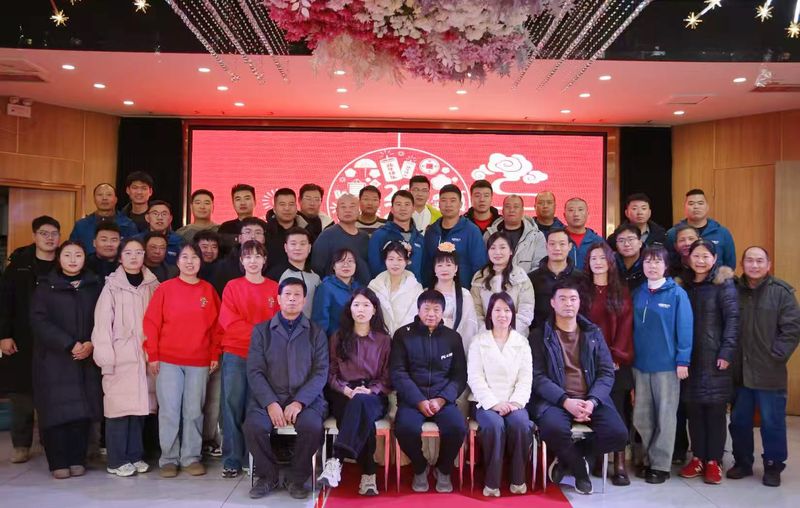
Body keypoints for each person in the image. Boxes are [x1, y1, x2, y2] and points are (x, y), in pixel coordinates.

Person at [529, 278, 628, 495]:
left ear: (579, 302)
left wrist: (592, 401)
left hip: (590, 398)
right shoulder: (539, 335)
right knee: (553, 428)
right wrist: (565, 401)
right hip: (556, 400)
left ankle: (569, 458)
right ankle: (580, 471)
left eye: (573, 299)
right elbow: (537, 377)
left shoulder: (593, 333)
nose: (568, 303)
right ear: (553, 303)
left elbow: (606, 372)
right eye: (563, 299)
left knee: (619, 434)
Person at [244, 278, 328, 500]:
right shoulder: (262, 331)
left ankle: (296, 478)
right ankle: (268, 476)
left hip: (306, 400)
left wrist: (299, 402)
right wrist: (270, 403)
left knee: (312, 427)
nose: (292, 299)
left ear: (304, 300)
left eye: (297, 295)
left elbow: (321, 372)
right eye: (287, 294)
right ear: (278, 299)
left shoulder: (316, 332)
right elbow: (255, 370)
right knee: (253, 426)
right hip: (269, 397)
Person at [143, 243, 221, 478]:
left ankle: (191, 457)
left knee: (194, 410)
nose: (189, 262)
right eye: (185, 257)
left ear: (200, 262)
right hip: (168, 360)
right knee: (169, 410)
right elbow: (151, 323)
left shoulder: (208, 290)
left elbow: (217, 328)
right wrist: (153, 355)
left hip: (199, 360)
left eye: (194, 257)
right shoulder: (165, 289)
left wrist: (214, 354)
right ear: (177, 262)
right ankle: (168, 458)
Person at [30, 240, 102, 479]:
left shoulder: (94, 285)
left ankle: (77, 458)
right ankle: (58, 461)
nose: (73, 260)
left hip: (86, 357)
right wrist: (69, 344)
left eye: (78, 255)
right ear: (58, 258)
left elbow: (103, 319)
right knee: (55, 411)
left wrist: (91, 342)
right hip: (54, 359)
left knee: (81, 410)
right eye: (67, 255)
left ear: (85, 258)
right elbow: (39, 321)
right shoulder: (45, 286)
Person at [729, 246, 800, 487]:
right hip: (739, 371)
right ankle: (742, 462)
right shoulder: (733, 291)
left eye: (760, 261)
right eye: (750, 260)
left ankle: (773, 465)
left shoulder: (781, 292)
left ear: (768, 265)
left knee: (772, 422)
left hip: (770, 371)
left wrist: (776, 355)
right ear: (742, 264)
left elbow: (792, 329)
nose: (754, 265)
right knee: (739, 421)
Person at [91, 238, 159, 477]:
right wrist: (106, 359)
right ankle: (117, 459)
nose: (134, 257)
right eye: (128, 253)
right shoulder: (111, 286)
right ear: (120, 258)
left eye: (138, 252)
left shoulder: (153, 285)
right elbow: (102, 326)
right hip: (120, 355)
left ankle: (135, 455)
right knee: (118, 409)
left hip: (146, 355)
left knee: (141, 407)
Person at [317, 288, 392, 496]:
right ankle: (368, 475)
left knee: (361, 404)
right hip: (343, 393)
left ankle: (336, 460)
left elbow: (388, 377)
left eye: (366, 305)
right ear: (350, 309)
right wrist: (346, 390)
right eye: (356, 304)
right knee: (360, 413)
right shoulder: (338, 337)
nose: (361, 309)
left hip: (374, 395)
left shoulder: (384, 340)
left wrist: (369, 390)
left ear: (374, 310)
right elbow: (330, 373)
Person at [390, 290, 467, 493]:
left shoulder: (453, 338)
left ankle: (443, 468)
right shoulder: (403, 335)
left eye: (436, 309)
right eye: (426, 309)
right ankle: (420, 466)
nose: (431, 314)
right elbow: (398, 373)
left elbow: (459, 376)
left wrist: (441, 399)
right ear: (418, 310)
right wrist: (418, 400)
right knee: (404, 428)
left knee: (458, 427)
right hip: (412, 400)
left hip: (443, 400)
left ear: (443, 312)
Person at [217, 240, 280, 479]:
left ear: (265, 260)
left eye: (257, 256)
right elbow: (229, 322)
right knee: (231, 405)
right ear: (241, 261)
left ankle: (251, 456)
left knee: (256, 406)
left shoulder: (274, 288)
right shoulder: (232, 287)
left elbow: (278, 323)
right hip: (236, 352)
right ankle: (232, 458)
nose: (253, 261)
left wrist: (264, 340)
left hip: (265, 357)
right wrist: (260, 334)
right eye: (248, 256)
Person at [0, 216, 61, 464]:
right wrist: (4, 335)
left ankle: (50, 441)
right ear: (34, 236)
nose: (49, 238)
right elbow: (5, 302)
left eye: (54, 233)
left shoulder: (64, 263)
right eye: (44, 233)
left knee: (52, 393)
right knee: (21, 394)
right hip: (22, 337)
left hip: (54, 339)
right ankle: (21, 445)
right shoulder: (19, 265)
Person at [631, 245, 693, 484]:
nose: (652, 266)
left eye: (657, 261)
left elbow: (685, 328)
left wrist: (683, 360)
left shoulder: (677, 294)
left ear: (666, 266)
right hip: (640, 365)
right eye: (648, 261)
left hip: (667, 366)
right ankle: (647, 459)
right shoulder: (638, 293)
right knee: (642, 416)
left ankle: (660, 465)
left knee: (665, 417)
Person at [679, 239, 739, 485]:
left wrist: (726, 352)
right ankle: (698, 458)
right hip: (690, 357)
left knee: (715, 410)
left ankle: (714, 460)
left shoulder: (724, 284)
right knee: (693, 409)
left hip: (716, 357)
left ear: (714, 259)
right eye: (696, 256)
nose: (701, 260)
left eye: (706, 256)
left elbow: (733, 320)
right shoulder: (683, 285)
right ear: (688, 258)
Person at [467, 292, 532, 497]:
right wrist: (494, 403)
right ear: (490, 314)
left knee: (521, 424)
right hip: (484, 402)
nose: (502, 315)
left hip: (514, 402)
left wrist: (515, 403)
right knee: (494, 425)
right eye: (497, 310)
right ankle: (492, 482)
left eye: (507, 310)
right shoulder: (479, 341)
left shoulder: (522, 342)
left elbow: (526, 378)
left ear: (513, 314)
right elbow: (475, 377)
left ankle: (518, 479)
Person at [584, 241, 634, 485]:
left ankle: (620, 464)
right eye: (593, 258)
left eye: (602, 258)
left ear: (610, 262)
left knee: (618, 410)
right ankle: (599, 457)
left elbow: (626, 325)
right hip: (587, 361)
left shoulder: (620, 290)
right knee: (595, 410)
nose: (598, 262)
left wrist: (615, 356)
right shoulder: (583, 290)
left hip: (615, 362)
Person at [470, 232, 535, 336]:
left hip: (516, 335)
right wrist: (488, 332)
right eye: (493, 248)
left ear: (511, 251)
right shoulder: (480, 277)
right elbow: (475, 310)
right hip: (486, 335)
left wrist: (508, 333)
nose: (497, 252)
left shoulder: (521, 277)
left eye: (502, 247)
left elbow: (526, 310)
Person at [422, 184, 487, 287]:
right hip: (435, 292)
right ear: (439, 204)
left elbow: (480, 267)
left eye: (453, 200)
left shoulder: (472, 231)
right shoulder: (431, 231)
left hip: (463, 292)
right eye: (444, 200)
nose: (448, 205)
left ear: (460, 204)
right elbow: (425, 265)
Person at [528, 227, 589, 330]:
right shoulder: (532, 279)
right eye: (552, 244)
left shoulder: (581, 278)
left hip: (572, 335)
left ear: (570, 246)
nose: (557, 248)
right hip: (539, 336)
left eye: (562, 244)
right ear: (546, 246)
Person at [666, 189, 736, 269]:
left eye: (700, 203)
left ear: (707, 207)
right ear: (685, 207)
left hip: (715, 277)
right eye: (691, 203)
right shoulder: (673, 233)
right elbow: (667, 263)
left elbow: (730, 265)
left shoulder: (722, 233)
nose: (696, 207)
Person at [311, 193, 371, 285]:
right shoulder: (327, 235)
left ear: (359, 211)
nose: (347, 210)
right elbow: (317, 267)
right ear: (337, 211)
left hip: (362, 291)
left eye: (352, 207)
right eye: (343, 207)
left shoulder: (365, 237)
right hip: (335, 290)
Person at [431, 243, 479, 354]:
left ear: (456, 268)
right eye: (440, 265)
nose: (444, 269)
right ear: (434, 269)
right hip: (430, 347)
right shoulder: (425, 293)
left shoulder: (464, 295)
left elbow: (469, 327)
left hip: (456, 346)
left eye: (448, 265)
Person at [368, 241, 423, 335]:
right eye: (391, 259)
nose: (395, 263)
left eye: (400, 259)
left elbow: (416, 315)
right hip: (379, 337)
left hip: (407, 337)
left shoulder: (416, 287)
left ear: (406, 262)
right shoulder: (374, 286)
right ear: (385, 261)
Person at [368, 190, 425, 282]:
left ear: (413, 209)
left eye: (407, 204)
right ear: (392, 209)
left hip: (414, 289)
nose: (403, 208)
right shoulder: (379, 235)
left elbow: (424, 269)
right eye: (398, 204)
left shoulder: (420, 238)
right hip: (386, 288)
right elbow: (374, 267)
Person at [267, 227, 321, 318]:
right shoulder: (276, 274)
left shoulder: (316, 275)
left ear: (309, 248)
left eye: (302, 244)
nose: (298, 248)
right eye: (293, 244)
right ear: (285, 247)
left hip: (311, 325)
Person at [484, 194, 547, 273]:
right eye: (508, 206)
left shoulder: (536, 236)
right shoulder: (489, 235)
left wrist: (522, 280)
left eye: (516, 207)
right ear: (502, 211)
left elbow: (539, 267)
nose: (512, 210)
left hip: (528, 280)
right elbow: (484, 265)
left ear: (522, 211)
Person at [70, 183, 138, 254]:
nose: (104, 198)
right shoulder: (81, 226)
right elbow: (72, 250)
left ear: (116, 199)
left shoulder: (128, 225)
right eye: (100, 195)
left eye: (109, 195)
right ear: (94, 199)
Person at [312, 249, 362, 337]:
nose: (346, 265)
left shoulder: (359, 288)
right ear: (334, 266)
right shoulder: (326, 287)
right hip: (335, 340)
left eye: (350, 261)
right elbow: (320, 321)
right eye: (341, 261)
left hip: (356, 339)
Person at [212, 217, 267, 296]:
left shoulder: (271, 264)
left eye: (258, 233)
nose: (253, 236)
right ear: (240, 238)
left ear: (264, 239)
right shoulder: (224, 266)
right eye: (248, 232)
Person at [265, 188, 301, 271]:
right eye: (282, 204)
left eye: (291, 204)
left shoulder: (306, 231)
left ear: (296, 208)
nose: (287, 208)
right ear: (274, 209)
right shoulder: (265, 232)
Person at [137, 201, 184, 265]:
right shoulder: (137, 241)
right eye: (155, 214)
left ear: (170, 219)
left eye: (164, 214)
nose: (160, 218)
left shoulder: (180, 242)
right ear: (147, 218)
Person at [218, 184, 258, 256]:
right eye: (238, 199)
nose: (242, 203)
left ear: (255, 201)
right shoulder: (225, 228)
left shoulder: (264, 227)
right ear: (233, 203)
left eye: (247, 198)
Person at [563, 197, 603, 270]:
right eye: (571, 210)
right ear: (564, 215)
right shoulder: (556, 240)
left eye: (580, 210)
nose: (576, 214)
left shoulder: (598, 241)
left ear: (587, 214)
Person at [613, 224, 646, 290]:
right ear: (616, 245)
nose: (626, 244)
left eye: (631, 239)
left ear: (640, 243)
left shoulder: (649, 262)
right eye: (621, 240)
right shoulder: (610, 262)